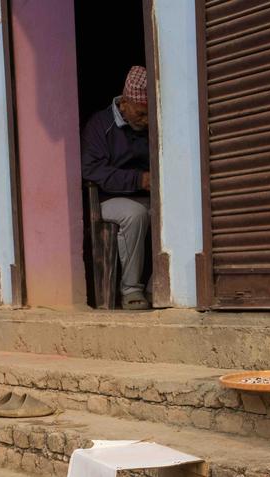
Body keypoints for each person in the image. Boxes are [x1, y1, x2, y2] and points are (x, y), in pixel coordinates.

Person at [81, 65, 152, 309]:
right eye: (141, 114)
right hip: (106, 199)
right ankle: (131, 290)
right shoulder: (100, 125)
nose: (146, 121)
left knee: (171, 211)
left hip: (143, 196)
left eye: (150, 114)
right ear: (125, 103)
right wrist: (138, 180)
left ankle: (157, 285)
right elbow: (92, 171)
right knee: (136, 215)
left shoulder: (148, 126)